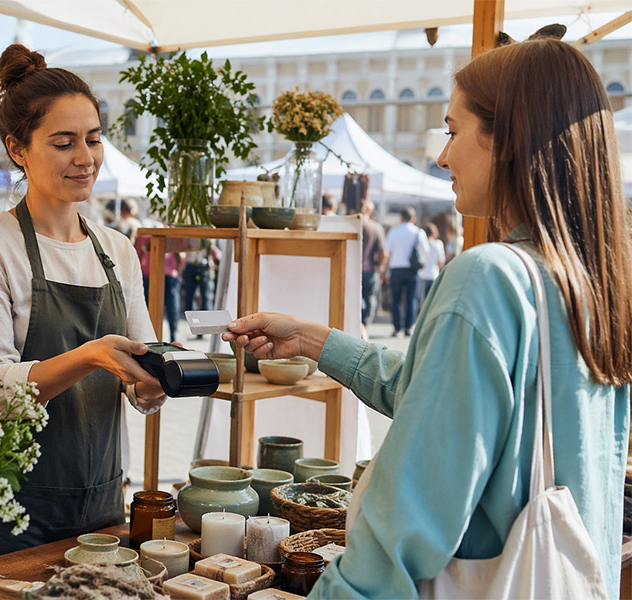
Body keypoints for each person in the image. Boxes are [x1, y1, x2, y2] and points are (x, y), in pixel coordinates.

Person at [224, 39, 631, 598]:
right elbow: (446, 399)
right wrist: (313, 339)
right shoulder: (594, 285)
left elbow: (401, 531)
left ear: (507, 138)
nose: (443, 157)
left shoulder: (488, 276)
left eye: (452, 130)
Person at [0, 44, 166, 561]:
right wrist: (90, 355)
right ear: (17, 149)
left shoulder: (117, 250)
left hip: (105, 500)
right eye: (64, 143)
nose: (85, 158)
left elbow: (141, 373)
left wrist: (155, 383)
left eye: (93, 139)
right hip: (13, 508)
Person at [384, 206, 429, 336]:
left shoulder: (393, 231)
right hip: (412, 270)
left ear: (401, 218)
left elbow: (388, 251)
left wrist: (386, 270)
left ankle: (397, 328)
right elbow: (425, 252)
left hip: (396, 268)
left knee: (396, 299)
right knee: (411, 299)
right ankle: (409, 327)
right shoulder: (418, 232)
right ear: (413, 218)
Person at [358, 201, 387, 333]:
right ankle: (365, 323)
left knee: (354, 297)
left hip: (353, 269)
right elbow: (383, 253)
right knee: (369, 298)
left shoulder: (352, 226)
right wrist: (380, 269)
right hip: (370, 269)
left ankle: (357, 322)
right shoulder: (376, 228)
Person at [416, 221, 445, 309]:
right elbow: (441, 261)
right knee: (432, 301)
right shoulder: (438, 244)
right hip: (433, 274)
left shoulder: (421, 244)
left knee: (422, 301)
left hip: (422, 274)